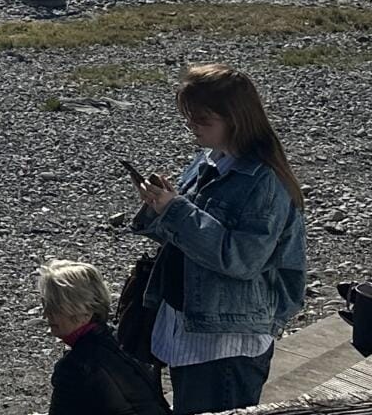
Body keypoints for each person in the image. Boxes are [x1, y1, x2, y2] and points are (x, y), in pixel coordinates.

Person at [131, 65, 307, 415]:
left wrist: (175, 210)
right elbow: (186, 237)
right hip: (192, 328)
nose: (191, 127)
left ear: (234, 119)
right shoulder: (210, 161)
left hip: (226, 341)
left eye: (201, 120)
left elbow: (241, 259)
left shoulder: (263, 182)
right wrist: (159, 207)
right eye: (188, 118)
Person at [37, 260, 171, 414]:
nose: (46, 314)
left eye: (54, 306)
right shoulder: (124, 342)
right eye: (45, 304)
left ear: (85, 310)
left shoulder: (75, 366)